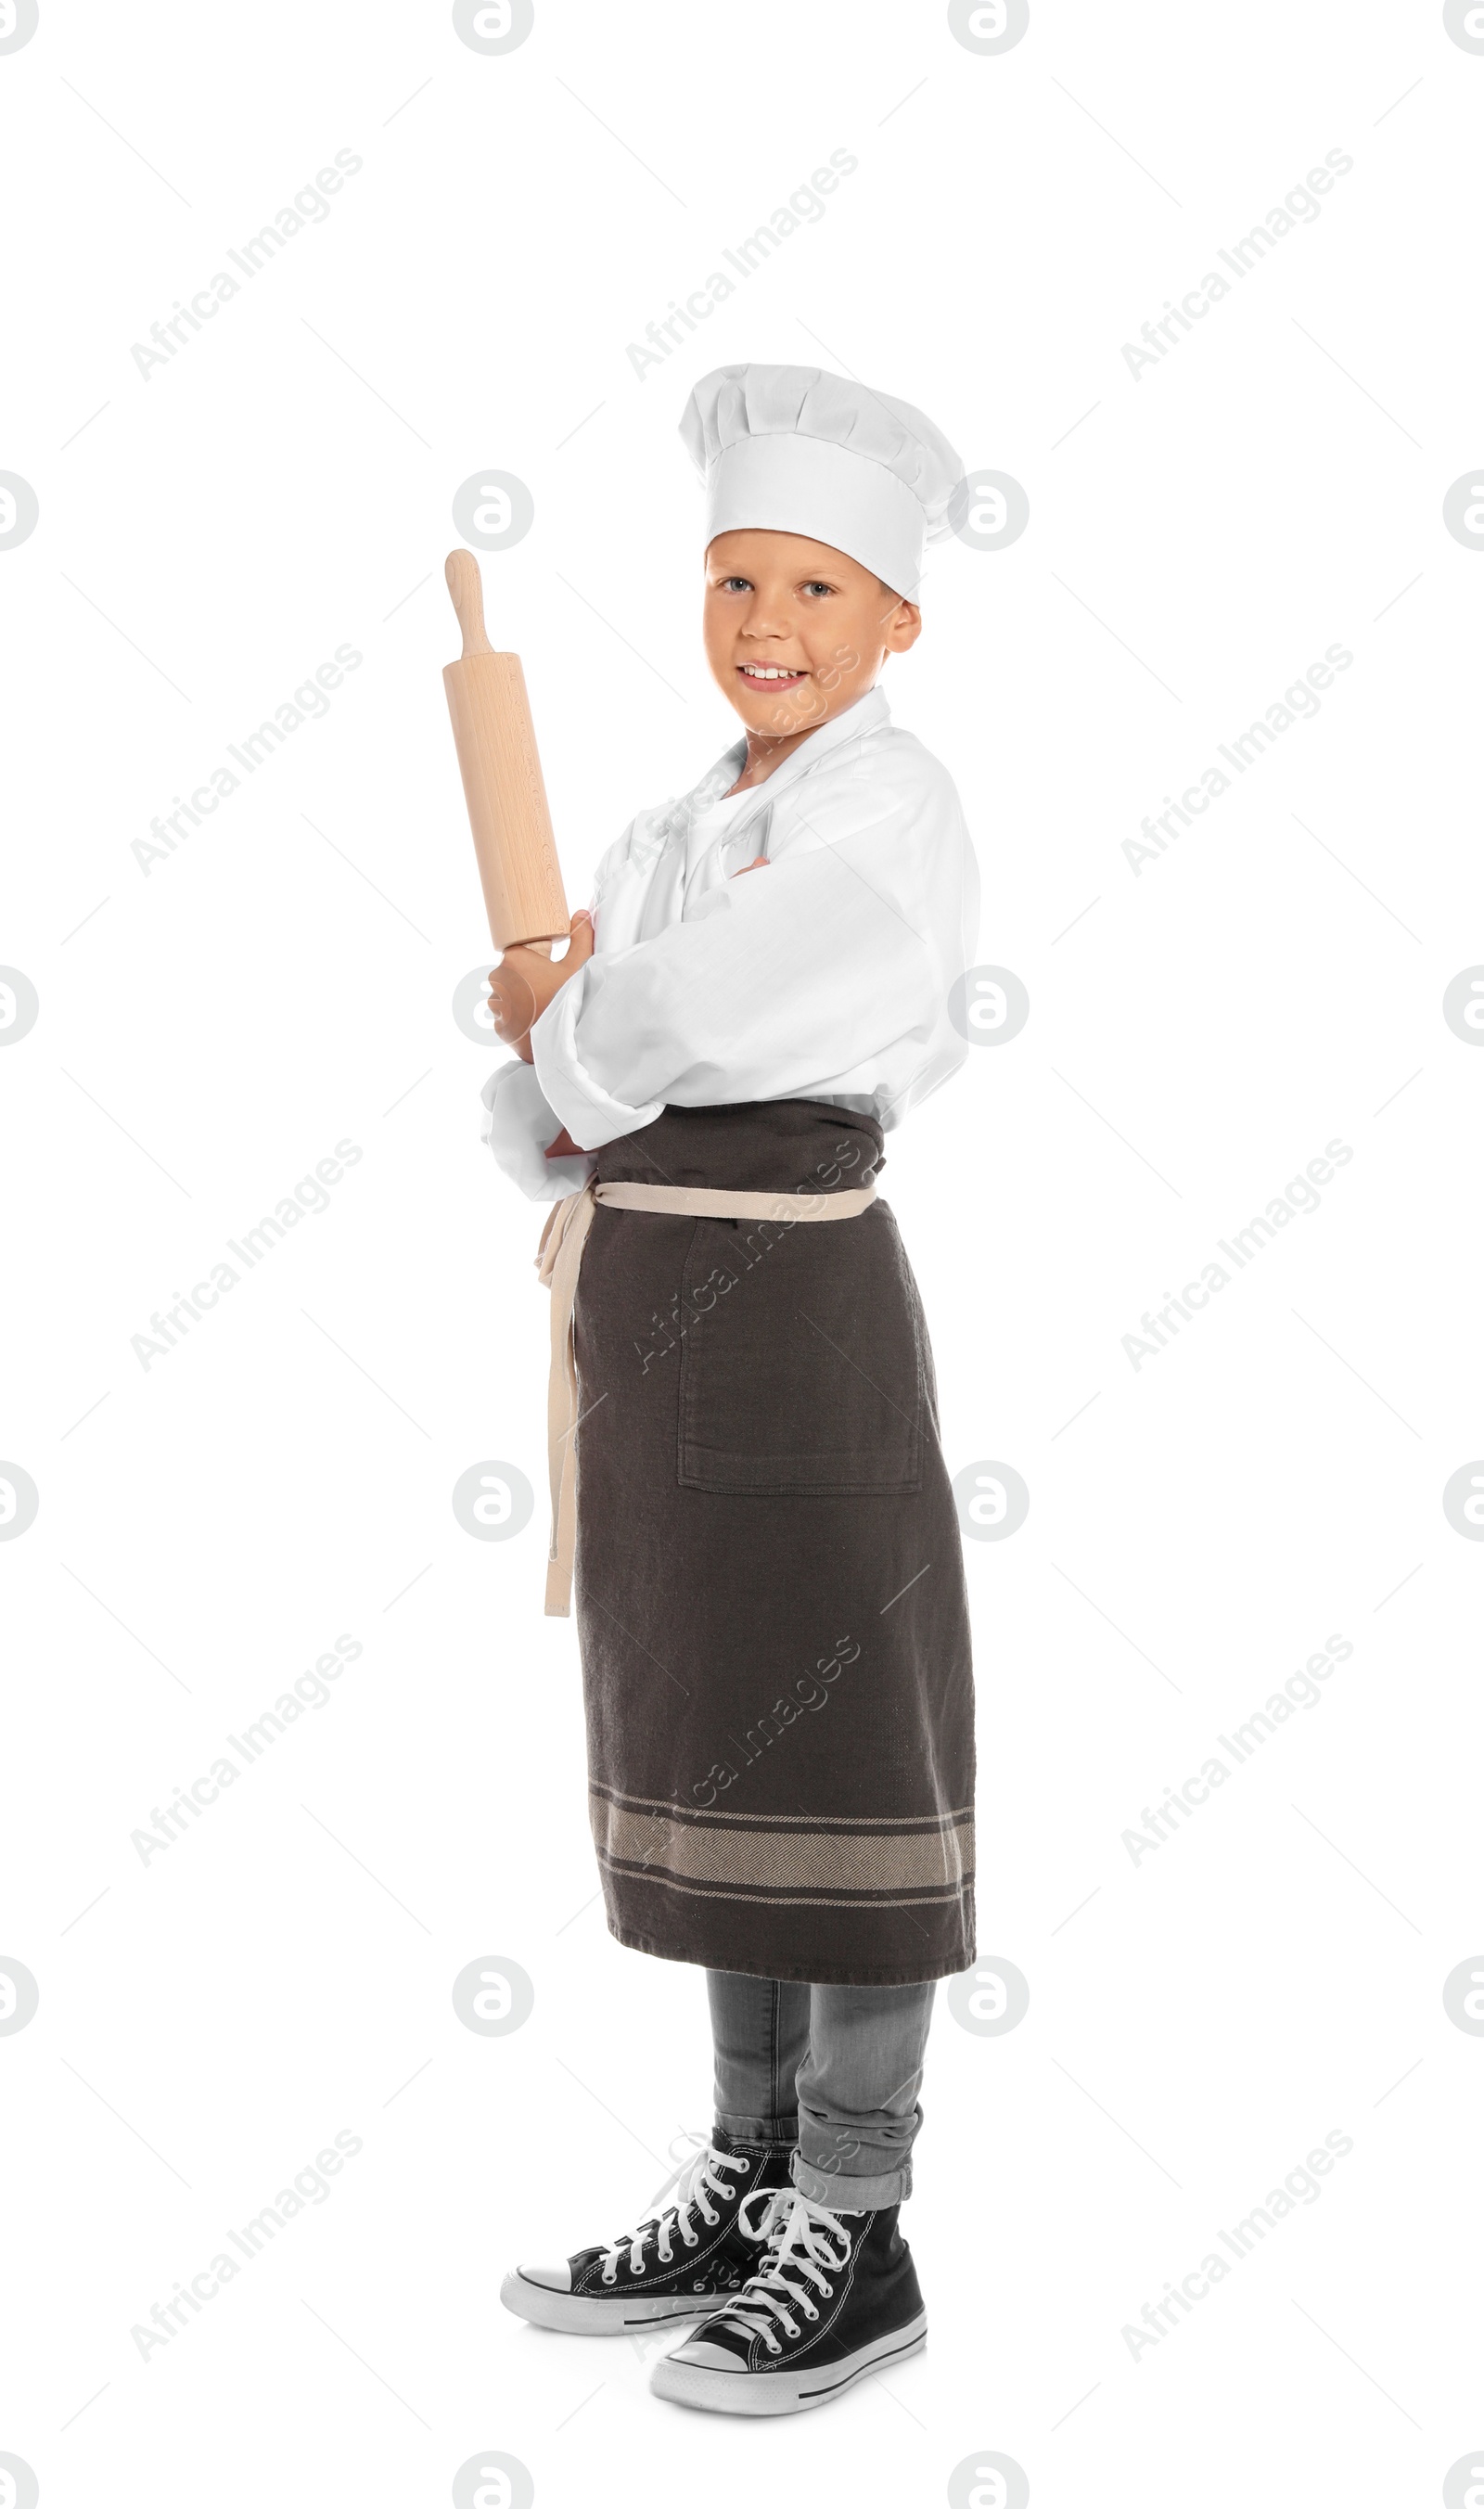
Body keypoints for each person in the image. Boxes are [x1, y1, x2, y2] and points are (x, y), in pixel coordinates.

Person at [482, 362, 979, 2414]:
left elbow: (707, 1008)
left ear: (891, 625)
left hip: (790, 1320)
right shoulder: (674, 821)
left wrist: (570, 1019)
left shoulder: (884, 808)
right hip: (650, 1320)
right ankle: (749, 2165)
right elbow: (554, 1118)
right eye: (729, 582)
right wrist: (565, 1038)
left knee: (838, 1743)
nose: (764, 627)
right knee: (713, 1736)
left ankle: (853, 2224)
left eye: (812, 590)